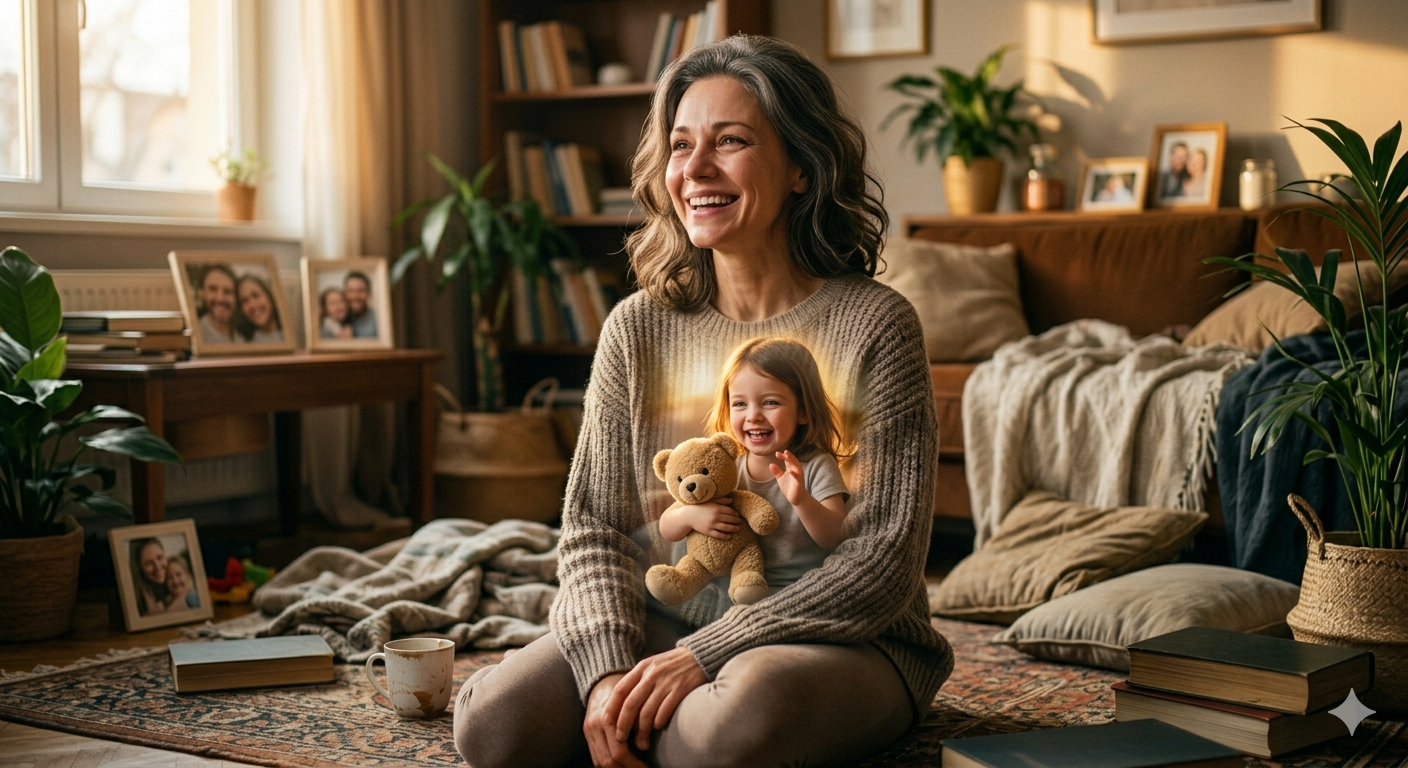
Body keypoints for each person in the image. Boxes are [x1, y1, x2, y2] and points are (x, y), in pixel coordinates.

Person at [453, 34, 951, 768]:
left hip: (841, 638)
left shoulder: (876, 325)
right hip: (667, 618)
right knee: (495, 727)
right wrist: (604, 677)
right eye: (681, 146)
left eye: (731, 142)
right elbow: (595, 527)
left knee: (715, 736)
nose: (695, 170)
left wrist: (702, 653)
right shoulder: (636, 328)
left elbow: (880, 565)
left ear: (802, 170)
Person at [659, 337, 851, 616]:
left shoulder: (815, 466)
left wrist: (802, 500)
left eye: (770, 402)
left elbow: (837, 537)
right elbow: (668, 527)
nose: (753, 416)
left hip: (790, 594)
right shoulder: (723, 466)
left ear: (804, 412)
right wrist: (688, 516)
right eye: (739, 404)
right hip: (725, 593)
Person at [194, 265, 238, 344]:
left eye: (227, 291)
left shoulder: (243, 334)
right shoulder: (197, 334)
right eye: (213, 289)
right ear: (202, 293)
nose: (220, 298)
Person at [234, 274, 284, 343]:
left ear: (269, 296)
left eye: (256, 295)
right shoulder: (242, 342)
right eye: (244, 301)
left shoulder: (290, 334)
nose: (252, 305)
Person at [131, 538, 170, 616]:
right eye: (148, 563)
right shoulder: (137, 599)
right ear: (139, 568)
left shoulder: (174, 582)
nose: (158, 567)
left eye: (160, 557)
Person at [343, 272, 378, 338]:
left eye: (361, 291)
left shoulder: (379, 320)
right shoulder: (339, 318)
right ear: (345, 294)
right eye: (351, 291)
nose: (355, 296)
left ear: (369, 293)